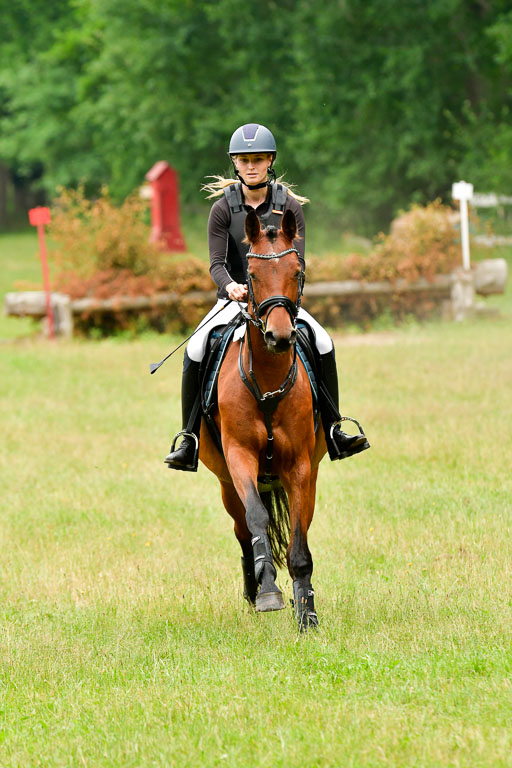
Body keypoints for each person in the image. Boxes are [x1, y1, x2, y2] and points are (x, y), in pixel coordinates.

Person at [165, 123, 369, 472]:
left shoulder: (288, 205)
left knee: (323, 342)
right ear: (235, 164)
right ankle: (189, 437)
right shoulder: (222, 210)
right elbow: (216, 263)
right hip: (233, 300)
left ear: (270, 160)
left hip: (280, 303)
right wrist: (230, 285)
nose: (251, 166)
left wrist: (283, 298)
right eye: (244, 160)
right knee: (195, 348)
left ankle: (335, 427)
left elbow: (297, 262)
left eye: (258, 159)